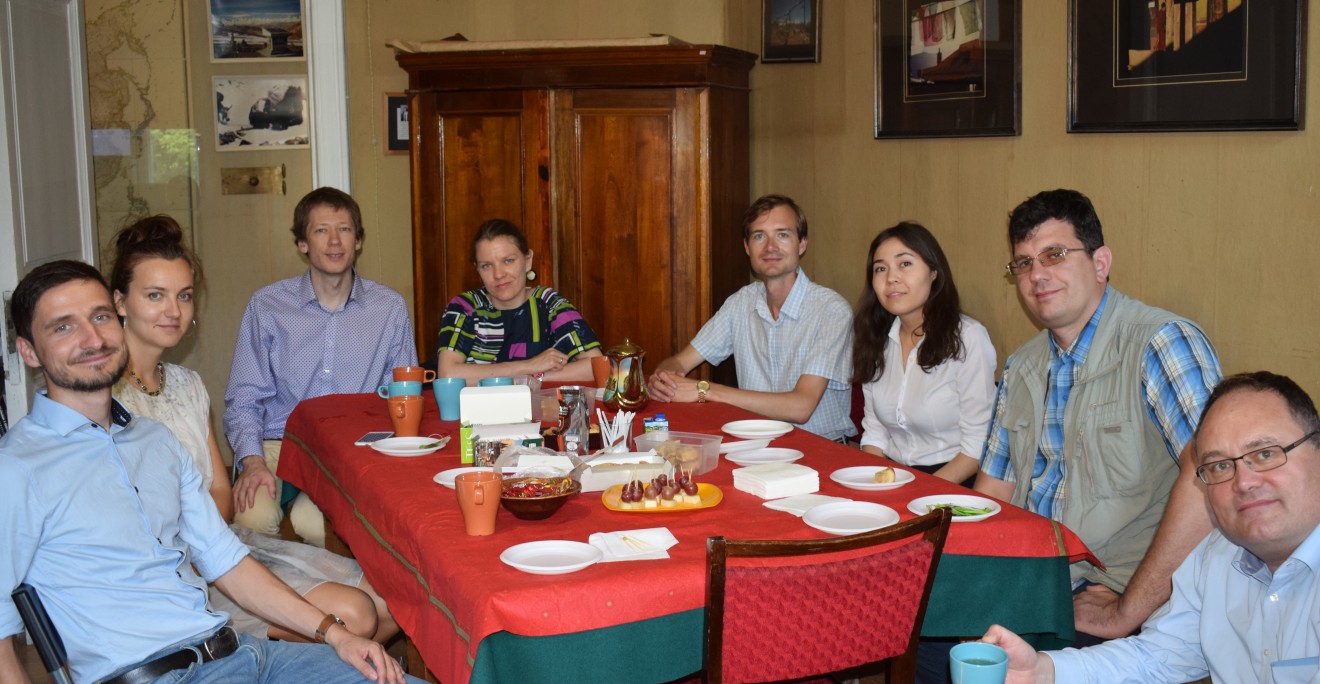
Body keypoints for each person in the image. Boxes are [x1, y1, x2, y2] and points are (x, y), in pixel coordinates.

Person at [0, 260, 413, 684]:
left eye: (100, 317)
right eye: (63, 327)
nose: (92, 338)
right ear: (29, 351)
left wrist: (333, 635)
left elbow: (224, 559)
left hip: (242, 653)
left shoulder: (154, 440)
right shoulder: (17, 468)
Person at [110, 215, 397, 644]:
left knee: (390, 604)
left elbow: (221, 491)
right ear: (119, 302)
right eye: (155, 295)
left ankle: (296, 666)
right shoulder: (104, 398)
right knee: (354, 617)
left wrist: (213, 536)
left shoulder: (186, 384)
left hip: (221, 542)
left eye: (183, 296)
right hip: (168, 570)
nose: (173, 311)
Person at [974, 189, 1223, 640]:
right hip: (1034, 579)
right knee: (919, 639)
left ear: (1101, 262)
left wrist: (1129, 607)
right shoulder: (1022, 367)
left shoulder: (1160, 343)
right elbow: (994, 491)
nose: (1037, 275)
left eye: (1055, 254)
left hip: (1120, 588)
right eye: (1024, 263)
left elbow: (1213, 479)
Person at [982, 371, 1320, 683]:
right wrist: (1043, 670)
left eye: (1264, 455)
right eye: (1219, 466)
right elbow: (1157, 656)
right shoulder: (1217, 556)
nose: (1244, 482)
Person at [225, 187, 417, 546]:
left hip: (353, 446)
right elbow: (244, 397)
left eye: (344, 229)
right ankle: (273, 601)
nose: (334, 241)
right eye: (320, 230)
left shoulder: (388, 308)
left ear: (358, 241)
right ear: (302, 243)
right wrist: (251, 462)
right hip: (278, 442)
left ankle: (332, 601)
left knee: (316, 523)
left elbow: (404, 396)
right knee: (253, 516)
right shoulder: (267, 306)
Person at [649, 194, 855, 442]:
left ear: (802, 244)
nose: (770, 247)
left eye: (782, 235)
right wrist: (664, 379)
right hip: (755, 448)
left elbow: (801, 408)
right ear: (747, 248)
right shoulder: (741, 303)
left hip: (820, 449)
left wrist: (704, 390)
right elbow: (680, 361)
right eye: (759, 236)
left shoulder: (831, 310)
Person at [851, 222, 996, 485]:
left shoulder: (968, 338)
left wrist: (919, 492)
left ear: (934, 273)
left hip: (952, 480)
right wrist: (879, 486)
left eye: (904, 264)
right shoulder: (875, 338)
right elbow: (875, 434)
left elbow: (979, 443)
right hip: (892, 475)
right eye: (880, 268)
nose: (891, 277)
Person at [435, 219, 602, 383]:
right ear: (477, 269)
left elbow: (597, 365)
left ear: (527, 260)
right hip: (478, 410)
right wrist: (529, 365)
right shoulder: (465, 307)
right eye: (486, 266)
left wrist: (532, 379)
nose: (498, 274)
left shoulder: (548, 303)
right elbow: (448, 374)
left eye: (508, 261)